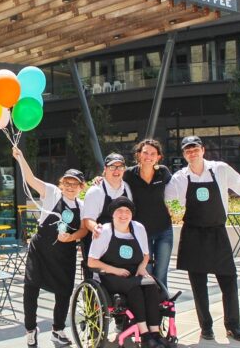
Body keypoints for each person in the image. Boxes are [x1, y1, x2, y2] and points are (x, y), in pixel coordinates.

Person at [165, 136, 240, 342]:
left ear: (203, 150)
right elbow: (169, 200)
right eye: (187, 150)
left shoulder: (220, 169)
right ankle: (206, 327)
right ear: (184, 154)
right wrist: (176, 210)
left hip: (217, 232)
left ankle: (233, 326)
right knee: (198, 284)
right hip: (193, 234)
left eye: (195, 149)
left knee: (229, 280)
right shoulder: (179, 177)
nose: (192, 153)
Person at [13, 147, 89, 347]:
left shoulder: (83, 206)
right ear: (61, 184)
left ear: (82, 187)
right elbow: (31, 180)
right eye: (67, 183)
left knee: (64, 292)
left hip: (65, 252)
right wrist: (21, 157)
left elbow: (83, 230)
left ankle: (58, 329)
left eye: (75, 184)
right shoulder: (52, 193)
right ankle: (30, 329)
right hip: (41, 248)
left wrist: (71, 237)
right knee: (31, 288)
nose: (70, 187)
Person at [88, 196, 171, 348]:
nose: (123, 214)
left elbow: (146, 255)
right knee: (135, 289)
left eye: (127, 211)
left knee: (151, 285)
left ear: (132, 214)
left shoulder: (138, 228)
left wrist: (142, 267)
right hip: (110, 275)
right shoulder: (105, 231)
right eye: (119, 211)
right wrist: (116, 270)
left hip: (134, 273)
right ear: (113, 214)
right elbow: (91, 261)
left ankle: (155, 333)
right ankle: (145, 335)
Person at [123, 139, 174, 288]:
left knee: (161, 272)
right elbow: (112, 181)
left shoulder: (163, 172)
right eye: (145, 152)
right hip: (141, 232)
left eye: (153, 154)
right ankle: (150, 307)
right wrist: (99, 179)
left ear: (158, 157)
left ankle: (164, 306)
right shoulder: (129, 174)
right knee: (147, 272)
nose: (148, 156)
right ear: (138, 155)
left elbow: (177, 187)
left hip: (164, 230)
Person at [81, 153, 133, 280]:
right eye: (112, 167)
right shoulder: (95, 191)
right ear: (105, 169)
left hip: (121, 241)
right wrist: (97, 229)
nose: (116, 170)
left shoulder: (127, 188)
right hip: (99, 242)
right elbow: (88, 220)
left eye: (120, 167)